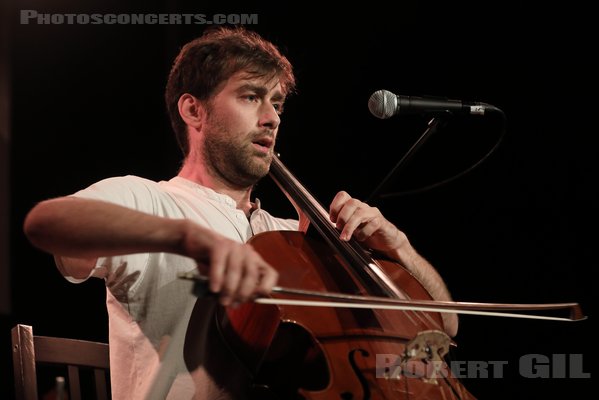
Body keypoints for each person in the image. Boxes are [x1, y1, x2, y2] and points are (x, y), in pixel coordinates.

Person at [23, 26, 458, 399]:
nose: (272, 118)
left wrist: (397, 246)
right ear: (194, 109)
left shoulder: (296, 241)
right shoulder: (151, 201)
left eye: (278, 104)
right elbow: (48, 223)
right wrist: (185, 238)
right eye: (252, 97)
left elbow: (444, 325)